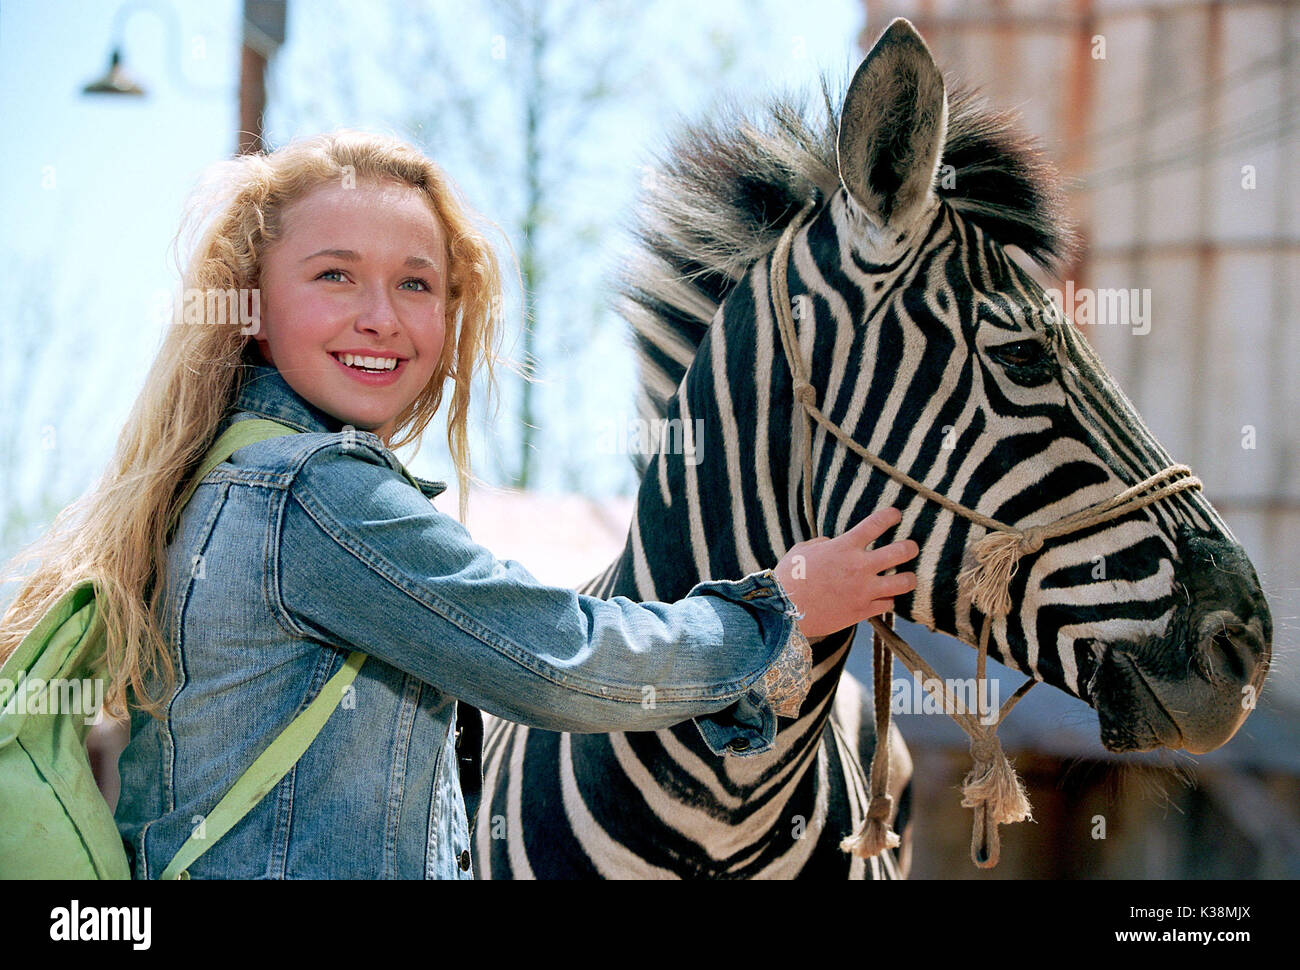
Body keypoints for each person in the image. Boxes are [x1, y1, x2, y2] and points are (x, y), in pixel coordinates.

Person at [0, 130, 918, 879]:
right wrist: (779, 613)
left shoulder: (222, 475)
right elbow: (561, 662)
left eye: (416, 283)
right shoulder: (319, 495)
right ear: (251, 305)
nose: (382, 316)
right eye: (334, 276)